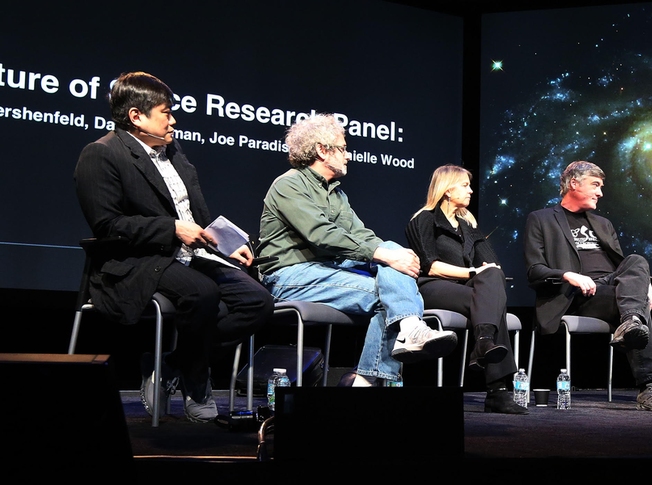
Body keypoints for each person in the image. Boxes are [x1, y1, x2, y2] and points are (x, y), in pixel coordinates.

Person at [73, 71, 274, 423]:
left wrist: (226, 245)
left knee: (257, 301)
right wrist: (171, 229)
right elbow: (108, 225)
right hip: (137, 258)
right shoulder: (101, 154)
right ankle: (197, 383)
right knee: (202, 293)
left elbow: (195, 215)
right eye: (166, 112)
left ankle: (171, 364)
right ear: (136, 116)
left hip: (189, 255)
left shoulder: (175, 154)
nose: (173, 120)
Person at [255, 113, 457, 386]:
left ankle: (392, 349)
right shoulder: (288, 184)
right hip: (290, 275)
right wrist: (382, 255)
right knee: (389, 294)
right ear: (322, 150)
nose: (348, 156)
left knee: (390, 253)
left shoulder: (337, 194)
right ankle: (372, 375)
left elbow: (361, 235)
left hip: (328, 269)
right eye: (343, 148)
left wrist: (391, 253)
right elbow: (321, 234)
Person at [523, 161, 652, 411]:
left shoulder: (603, 223)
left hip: (612, 287)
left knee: (638, 260)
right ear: (574, 184)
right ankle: (651, 388)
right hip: (575, 295)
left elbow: (624, 265)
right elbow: (534, 271)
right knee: (636, 305)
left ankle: (630, 322)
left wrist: (645, 285)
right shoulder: (541, 219)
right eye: (595, 185)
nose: (600, 193)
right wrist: (568, 275)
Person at [406, 164, 528, 414]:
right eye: (465, 185)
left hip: (468, 290)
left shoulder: (468, 226)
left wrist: (482, 271)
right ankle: (497, 391)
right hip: (432, 288)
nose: (471, 191)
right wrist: (472, 272)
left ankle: (483, 340)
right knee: (493, 304)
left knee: (493, 282)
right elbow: (430, 267)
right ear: (447, 190)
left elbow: (492, 265)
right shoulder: (424, 219)